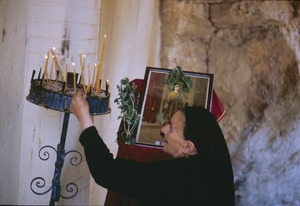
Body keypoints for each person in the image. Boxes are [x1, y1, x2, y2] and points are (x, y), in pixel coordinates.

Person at [70, 91, 235, 206]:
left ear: (188, 146)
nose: (163, 129)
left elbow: (107, 172)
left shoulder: (181, 178)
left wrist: (84, 117)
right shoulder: (212, 168)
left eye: (171, 128)